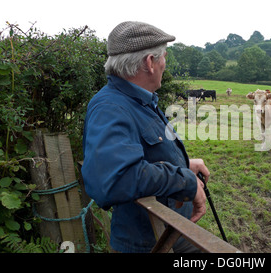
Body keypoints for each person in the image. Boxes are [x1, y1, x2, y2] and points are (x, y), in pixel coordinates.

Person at [81, 21, 209, 253]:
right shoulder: (110, 107)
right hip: (149, 243)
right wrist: (185, 181)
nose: (164, 64)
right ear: (150, 62)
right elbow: (115, 179)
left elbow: (141, 153)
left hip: (171, 229)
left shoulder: (139, 100)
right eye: (164, 58)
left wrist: (184, 164)